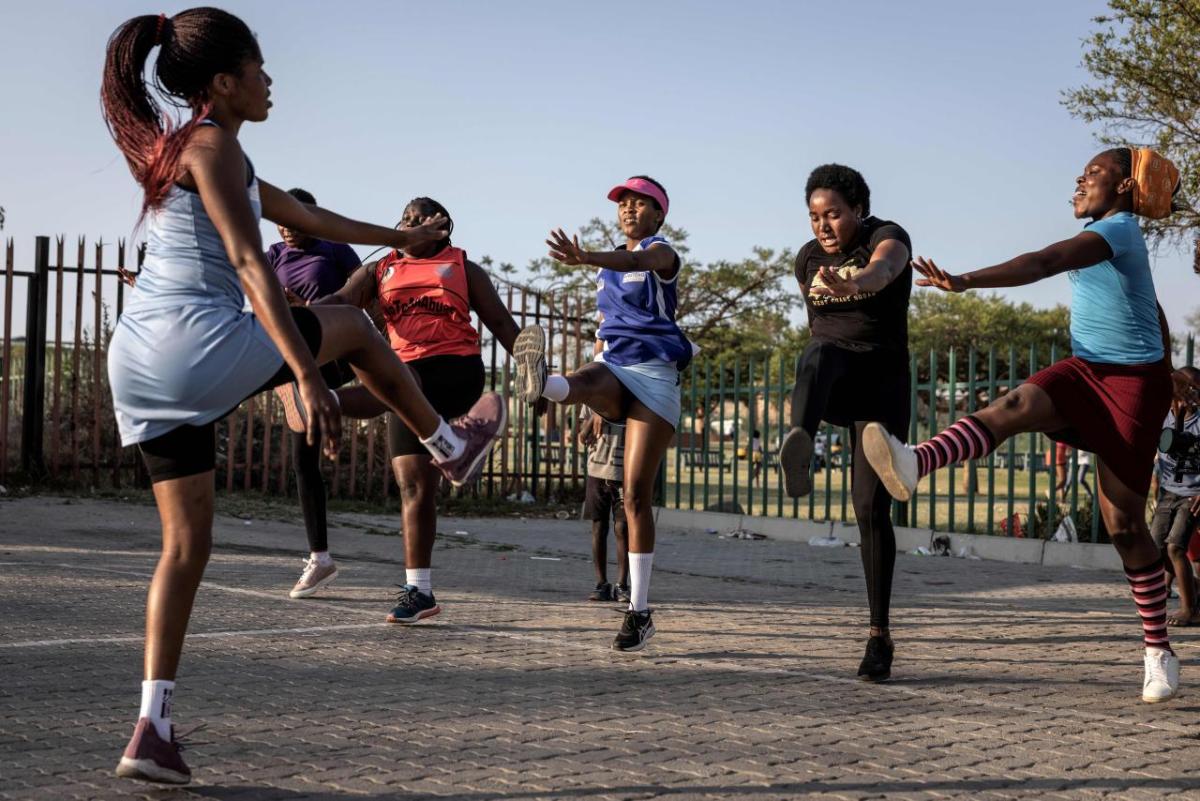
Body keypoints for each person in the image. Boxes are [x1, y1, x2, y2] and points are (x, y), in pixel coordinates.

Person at [100, 9, 504, 783]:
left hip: (139, 361)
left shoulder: (191, 150)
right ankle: (449, 446)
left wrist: (398, 237)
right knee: (352, 324)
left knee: (184, 547)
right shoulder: (213, 146)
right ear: (223, 82)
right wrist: (309, 374)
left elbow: (310, 218)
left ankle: (151, 728)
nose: (271, 79)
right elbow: (254, 264)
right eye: (259, 67)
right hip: (193, 342)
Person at [861, 146, 1183, 702]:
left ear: (1126, 189)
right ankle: (915, 461)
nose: (1079, 182)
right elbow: (1149, 306)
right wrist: (1169, 356)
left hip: (1134, 385)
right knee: (1014, 407)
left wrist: (965, 279)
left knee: (1125, 527)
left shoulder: (1122, 229)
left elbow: (1044, 261)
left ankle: (1158, 651)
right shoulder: (1115, 236)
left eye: (1094, 174)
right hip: (1086, 369)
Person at [304, 196, 537, 623]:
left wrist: (533, 379)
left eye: (418, 219)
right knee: (415, 485)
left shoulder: (463, 267)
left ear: (441, 228)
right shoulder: (381, 267)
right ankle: (420, 591)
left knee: (401, 386)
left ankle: (331, 401)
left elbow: (503, 325)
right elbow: (341, 298)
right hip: (400, 375)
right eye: (404, 218)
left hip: (455, 370)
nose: (407, 223)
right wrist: (295, 319)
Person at [514, 175, 690, 652]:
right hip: (614, 364)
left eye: (640, 203)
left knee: (634, 496)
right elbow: (602, 329)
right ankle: (544, 382)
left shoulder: (661, 253)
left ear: (659, 214)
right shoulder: (605, 270)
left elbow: (636, 260)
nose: (630, 210)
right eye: (623, 204)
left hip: (655, 375)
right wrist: (594, 405)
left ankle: (640, 611)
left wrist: (586, 255)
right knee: (584, 379)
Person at [775, 164, 913, 682]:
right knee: (818, 351)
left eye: (832, 213)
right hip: (834, 379)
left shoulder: (887, 236)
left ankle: (879, 636)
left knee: (869, 510)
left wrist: (852, 281)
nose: (823, 226)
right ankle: (801, 441)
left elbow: (883, 271)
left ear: (857, 209)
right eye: (814, 216)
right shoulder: (806, 259)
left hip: (881, 390)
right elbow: (821, 324)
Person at [266, 187, 362, 599]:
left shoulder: (336, 251)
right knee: (302, 462)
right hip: (292, 354)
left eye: (294, 221)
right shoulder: (272, 255)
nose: (286, 229)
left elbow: (364, 300)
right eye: (280, 223)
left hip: (335, 351)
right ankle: (319, 558)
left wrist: (310, 308)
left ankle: (321, 400)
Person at [1150, 367, 1200, 626]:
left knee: (1176, 547)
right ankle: (1193, 587)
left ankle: (1189, 609)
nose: (1193, 397)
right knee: (1156, 550)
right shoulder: (1163, 417)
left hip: (1192, 494)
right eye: (1188, 390)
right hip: (1168, 492)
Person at [579, 408, 630, 602]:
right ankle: (601, 584)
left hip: (625, 471)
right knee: (599, 526)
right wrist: (595, 417)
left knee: (623, 528)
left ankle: (622, 585)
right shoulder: (591, 400)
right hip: (597, 469)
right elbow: (582, 436)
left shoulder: (633, 395)